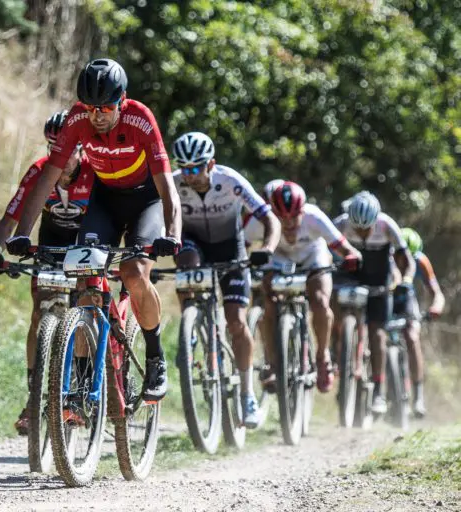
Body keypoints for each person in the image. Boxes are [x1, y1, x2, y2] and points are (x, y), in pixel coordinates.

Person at [6, 58, 182, 402]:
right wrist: (23, 233)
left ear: (122, 100)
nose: (97, 115)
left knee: (132, 273)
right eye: (91, 108)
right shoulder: (76, 119)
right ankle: (85, 383)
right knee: (87, 276)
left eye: (105, 108)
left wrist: (172, 233)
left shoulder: (140, 118)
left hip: (146, 199)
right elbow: (48, 178)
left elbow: (166, 187)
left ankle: (155, 357)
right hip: (106, 199)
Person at [0, 110, 94, 434]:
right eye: (54, 147)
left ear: (80, 148)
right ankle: (34, 398)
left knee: (85, 305)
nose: (63, 155)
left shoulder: (94, 174)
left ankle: (79, 394)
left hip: (85, 243)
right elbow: (9, 219)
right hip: (50, 243)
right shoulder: (40, 172)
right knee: (37, 315)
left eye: (69, 149)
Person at [171, 131, 280, 428]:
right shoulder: (173, 182)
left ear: (211, 164)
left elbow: (269, 218)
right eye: (185, 168)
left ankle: (247, 395)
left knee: (235, 321)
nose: (190, 175)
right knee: (186, 259)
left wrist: (267, 249)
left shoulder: (230, 181)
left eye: (197, 168)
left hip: (231, 246)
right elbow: (158, 215)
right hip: (193, 243)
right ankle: (189, 328)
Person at [245, 181, 362, 394]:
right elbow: (241, 243)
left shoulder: (314, 217)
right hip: (279, 258)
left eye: (294, 217)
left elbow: (343, 246)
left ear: (302, 211)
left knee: (319, 300)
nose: (288, 223)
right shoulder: (261, 219)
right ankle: (272, 361)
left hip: (313, 257)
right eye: (282, 218)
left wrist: (353, 256)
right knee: (268, 301)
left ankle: (322, 356)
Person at [333, 192, 415, 415]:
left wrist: (405, 280)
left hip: (379, 280)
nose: (361, 232)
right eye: (356, 229)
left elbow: (406, 261)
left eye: (366, 228)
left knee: (377, 333)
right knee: (334, 310)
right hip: (349, 276)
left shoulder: (387, 226)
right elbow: (322, 250)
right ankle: (336, 355)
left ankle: (379, 388)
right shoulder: (340, 224)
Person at [396, 227, 445, 417]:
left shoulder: (421, 261)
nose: (401, 262)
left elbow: (437, 293)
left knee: (412, 337)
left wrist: (435, 308)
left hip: (408, 301)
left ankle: (418, 397)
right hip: (387, 297)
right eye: (399, 257)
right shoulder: (386, 257)